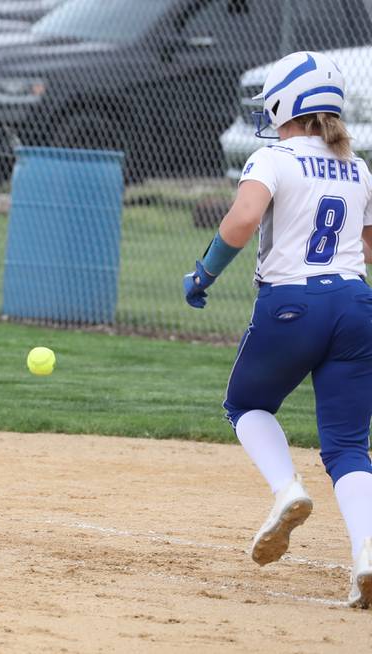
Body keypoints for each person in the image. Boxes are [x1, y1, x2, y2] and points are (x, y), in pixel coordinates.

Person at [183, 51, 372, 609]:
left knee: (246, 405)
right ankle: (366, 554)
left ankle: (288, 490)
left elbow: (242, 221)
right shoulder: (360, 168)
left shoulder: (274, 156)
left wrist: (205, 272)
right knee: (347, 445)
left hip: (291, 303)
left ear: (285, 103)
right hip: (356, 305)